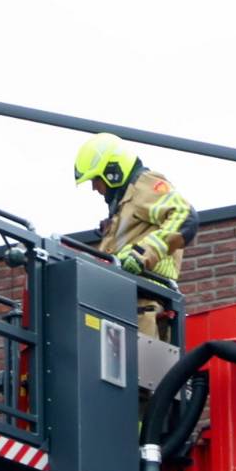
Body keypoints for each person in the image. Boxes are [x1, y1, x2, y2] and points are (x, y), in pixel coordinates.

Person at [73, 132, 198, 335]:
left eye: (96, 179)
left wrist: (142, 254)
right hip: (123, 307)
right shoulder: (123, 206)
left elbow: (184, 216)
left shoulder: (143, 184)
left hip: (142, 307)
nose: (95, 188)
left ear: (113, 171)